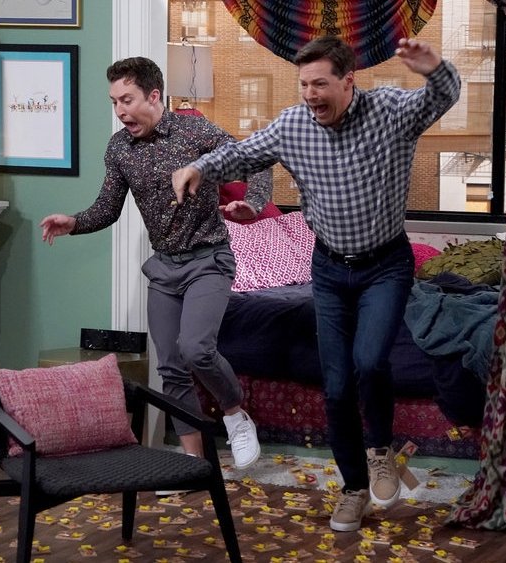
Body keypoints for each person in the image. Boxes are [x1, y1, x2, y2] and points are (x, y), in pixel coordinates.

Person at [172, 35, 460, 531]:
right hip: (327, 269)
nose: (310, 95)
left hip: (385, 265)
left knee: (370, 361)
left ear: (349, 81)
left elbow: (443, 96)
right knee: (336, 384)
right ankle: (353, 489)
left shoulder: (390, 111)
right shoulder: (293, 125)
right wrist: (199, 166)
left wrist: (435, 68)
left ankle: (379, 450)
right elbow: (242, 155)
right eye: (304, 84)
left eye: (320, 84)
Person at [41, 56, 272, 472]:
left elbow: (255, 162)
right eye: (114, 102)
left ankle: (235, 414)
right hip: (164, 269)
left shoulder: (194, 131)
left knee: (196, 349)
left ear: (153, 95)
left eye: (127, 100)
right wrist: (73, 223)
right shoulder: (119, 148)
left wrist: (252, 205)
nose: (120, 111)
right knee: (170, 368)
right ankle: (192, 463)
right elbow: (108, 208)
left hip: (208, 260)